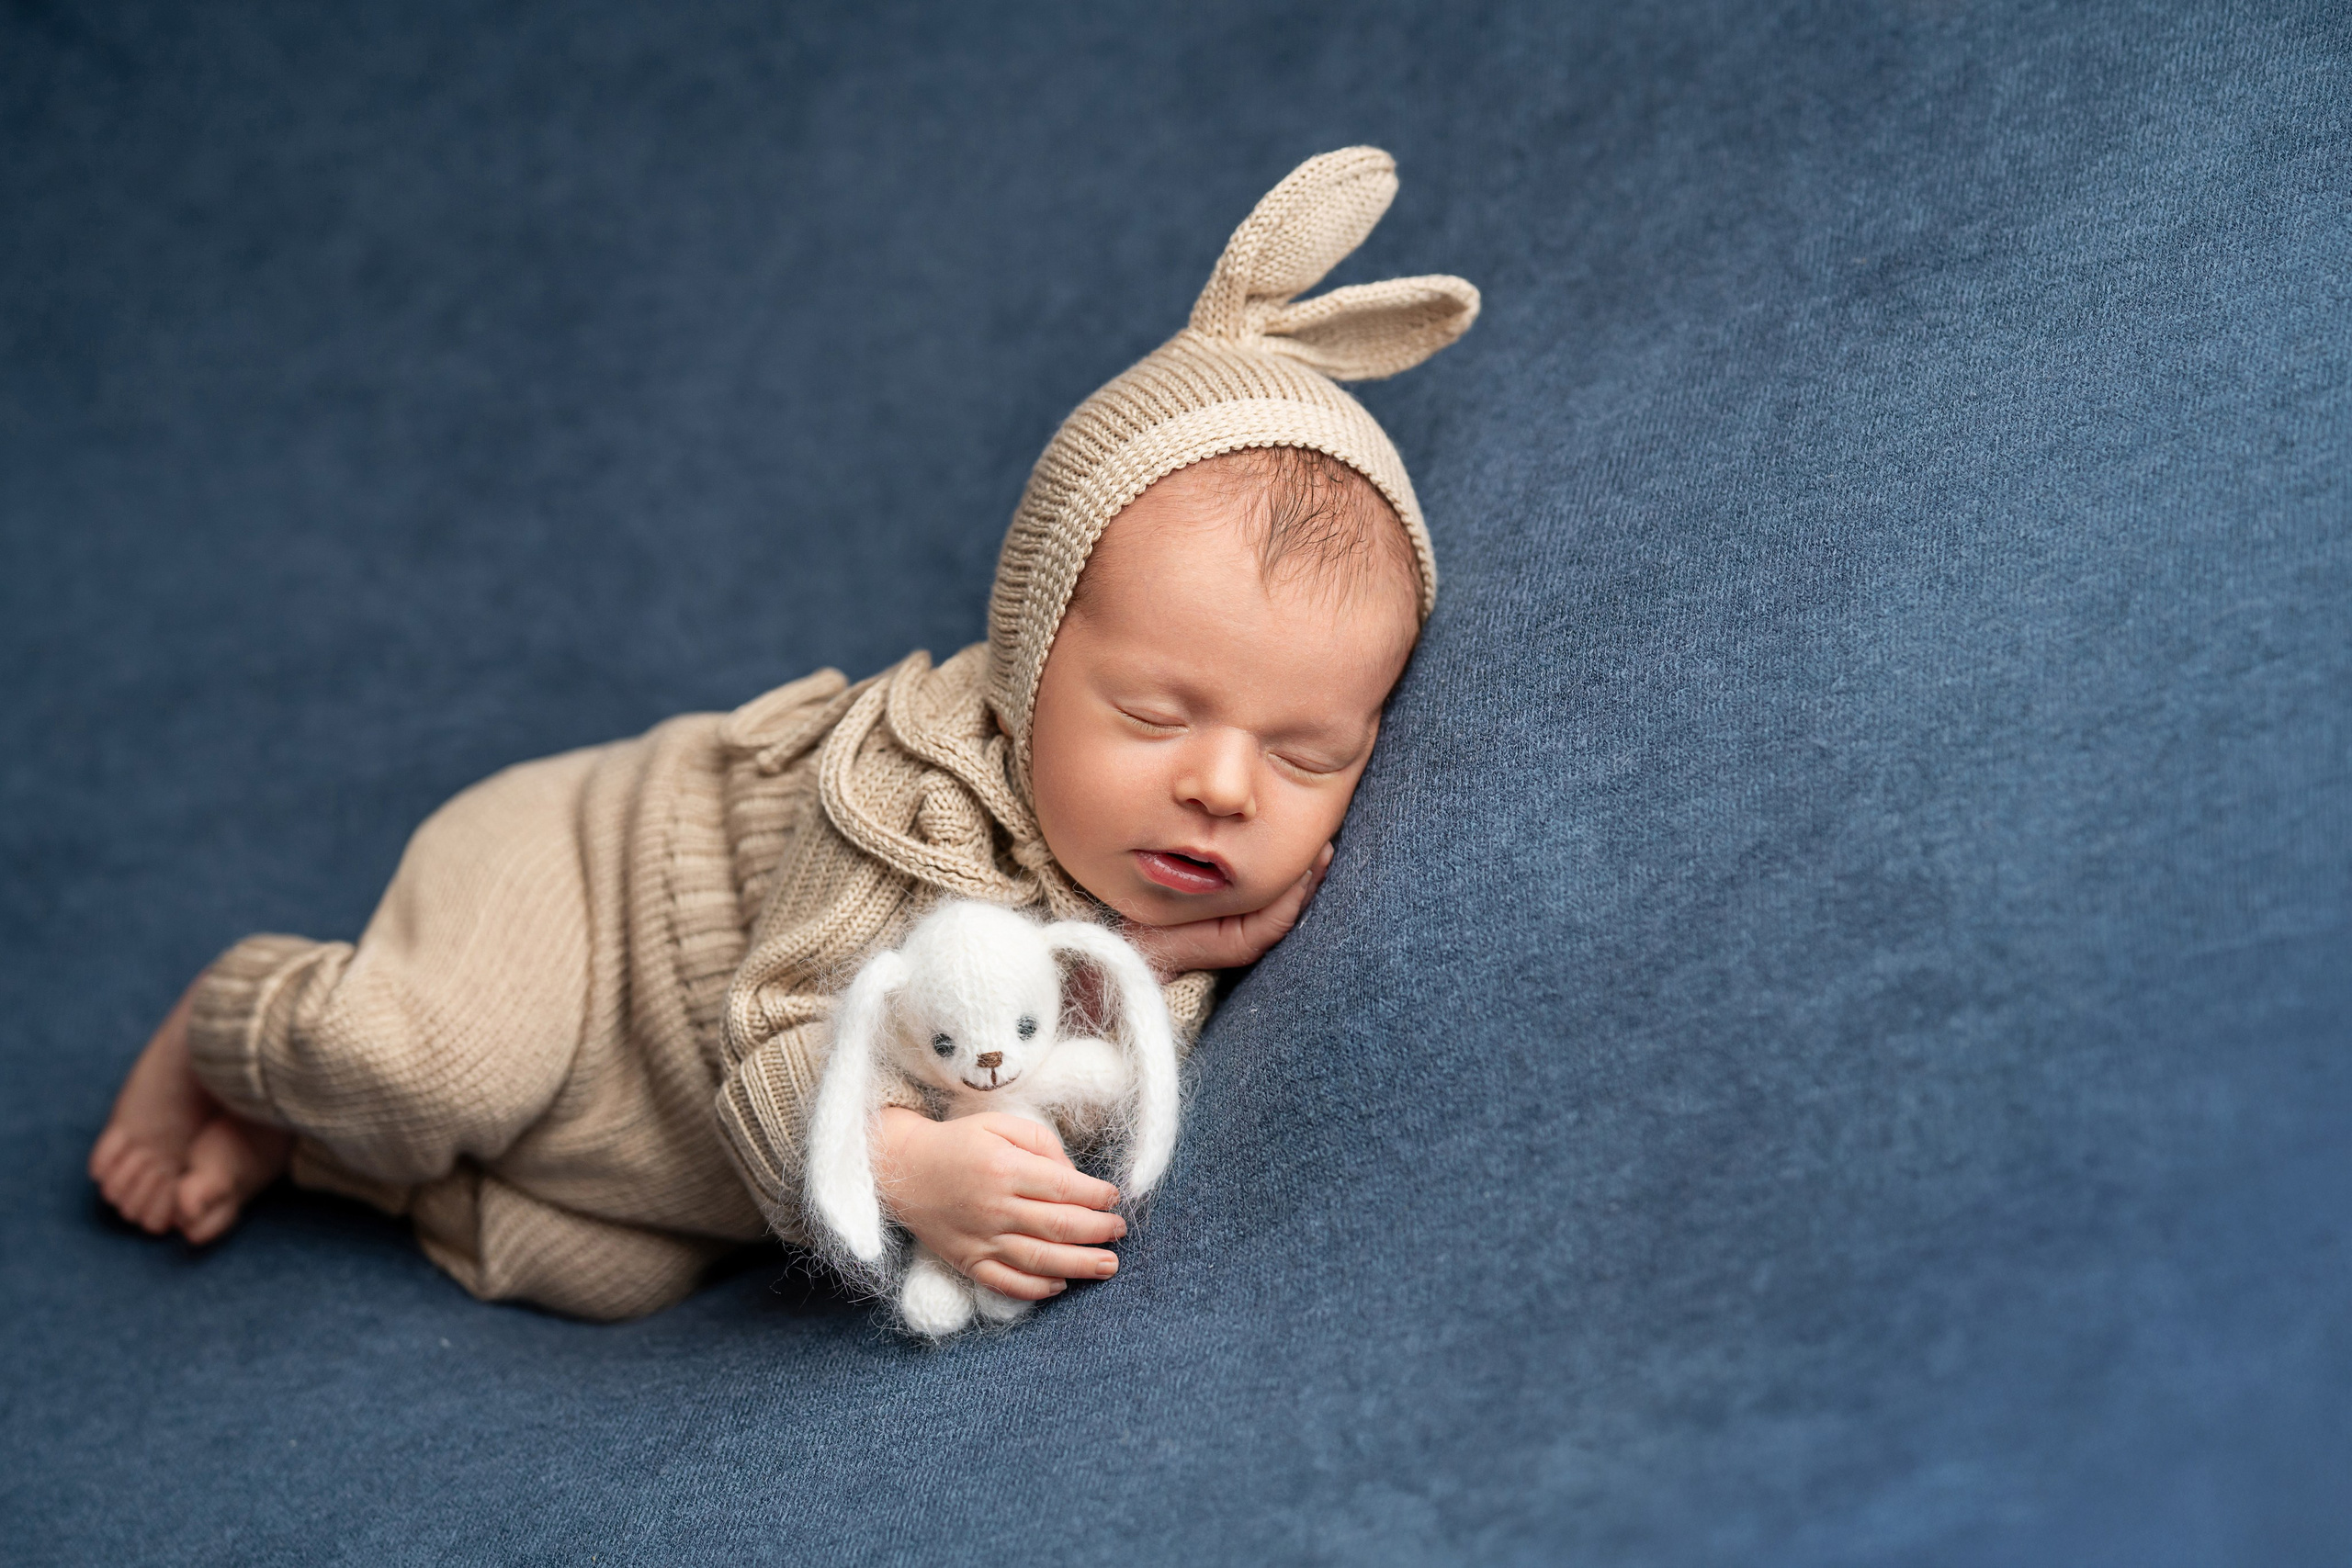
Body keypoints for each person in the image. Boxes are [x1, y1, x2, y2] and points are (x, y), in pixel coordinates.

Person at [86, 146, 1478, 1321]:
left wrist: (1147, 970)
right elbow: (776, 1033)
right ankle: (238, 1024)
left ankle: (308, 1148)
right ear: (1030, 660)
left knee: (602, 1268)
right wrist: (913, 1173)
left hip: (676, 1125)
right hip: (593, 884)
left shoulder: (1185, 880)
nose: (1224, 785)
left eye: (1307, 755)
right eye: (1152, 713)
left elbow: (1061, 1071)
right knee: (432, 1060)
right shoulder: (911, 788)